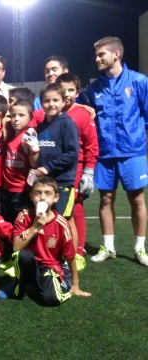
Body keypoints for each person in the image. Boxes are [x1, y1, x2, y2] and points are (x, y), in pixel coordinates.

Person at [87, 36, 148, 266]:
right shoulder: (94, 88)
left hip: (133, 152)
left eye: (101, 54)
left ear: (116, 54)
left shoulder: (140, 81)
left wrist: (143, 146)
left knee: (137, 199)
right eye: (96, 55)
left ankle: (140, 248)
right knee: (106, 199)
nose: (97, 59)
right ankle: (108, 247)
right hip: (105, 153)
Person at [0, 177, 91, 306]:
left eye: (48, 193)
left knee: (50, 299)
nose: (42, 197)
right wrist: (34, 228)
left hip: (50, 266)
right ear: (31, 196)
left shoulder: (61, 223)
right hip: (31, 264)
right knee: (22, 255)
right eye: (37, 193)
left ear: (55, 198)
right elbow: (16, 248)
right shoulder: (24, 216)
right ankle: (20, 283)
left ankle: (62, 282)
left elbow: (70, 256)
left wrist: (75, 284)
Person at [56, 73, 99, 270]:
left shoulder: (82, 115)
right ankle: (58, 249)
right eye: (62, 90)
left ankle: (79, 251)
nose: (66, 94)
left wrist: (88, 172)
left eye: (71, 90)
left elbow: (91, 146)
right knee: (55, 210)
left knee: (76, 210)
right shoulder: (50, 112)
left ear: (77, 92)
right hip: (55, 169)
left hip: (75, 170)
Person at [35, 83, 79, 219]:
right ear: (41, 103)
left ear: (63, 102)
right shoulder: (41, 126)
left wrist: (48, 167)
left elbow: (72, 153)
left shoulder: (67, 123)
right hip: (45, 183)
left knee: (64, 219)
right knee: (47, 219)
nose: (51, 104)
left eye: (55, 100)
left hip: (62, 182)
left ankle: (72, 242)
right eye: (47, 101)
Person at [1, 100, 39, 223]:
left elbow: (34, 164)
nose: (16, 119)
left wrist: (33, 148)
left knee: (21, 224)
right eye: (13, 115)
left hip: (22, 190)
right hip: (6, 188)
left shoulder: (28, 136)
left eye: (21, 115)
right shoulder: (10, 134)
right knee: (7, 222)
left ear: (30, 117)